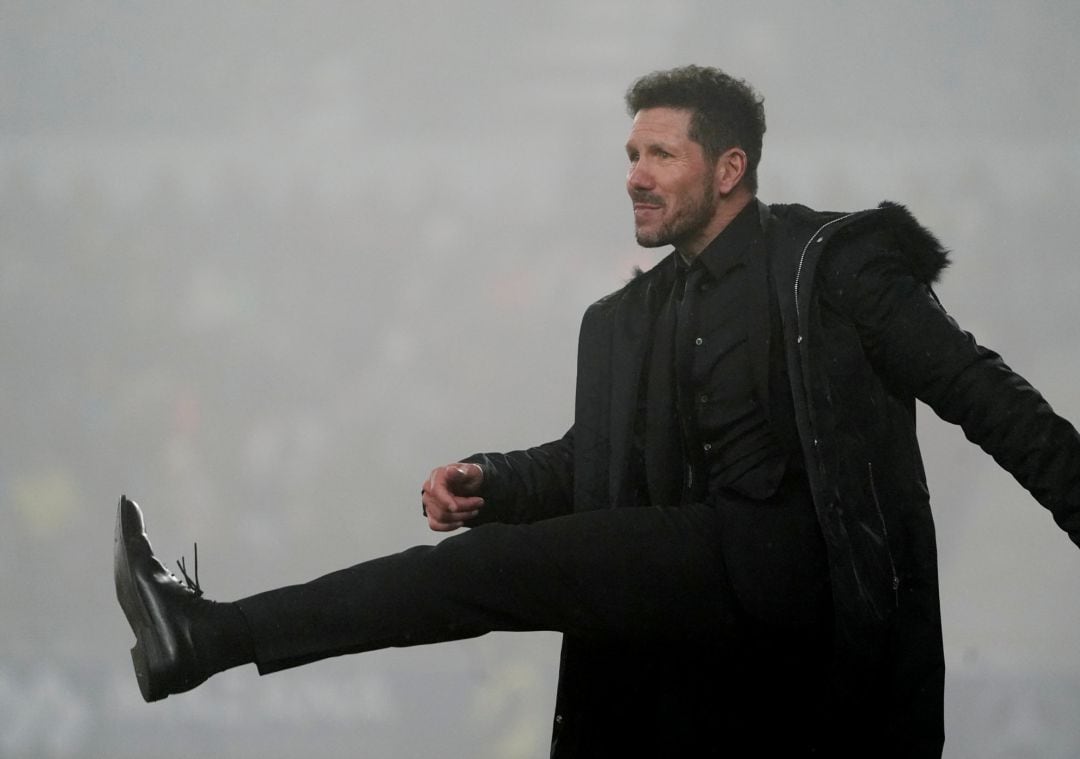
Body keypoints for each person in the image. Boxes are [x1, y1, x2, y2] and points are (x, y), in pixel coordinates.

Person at [114, 65, 1080, 758]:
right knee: (491, 570)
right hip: (700, 622)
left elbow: (980, 390)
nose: (634, 173)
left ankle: (212, 635)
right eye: (629, 154)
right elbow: (597, 459)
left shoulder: (831, 266)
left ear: (729, 168)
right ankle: (201, 640)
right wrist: (494, 480)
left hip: (806, 584)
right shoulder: (631, 317)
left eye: (659, 153)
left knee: (485, 574)